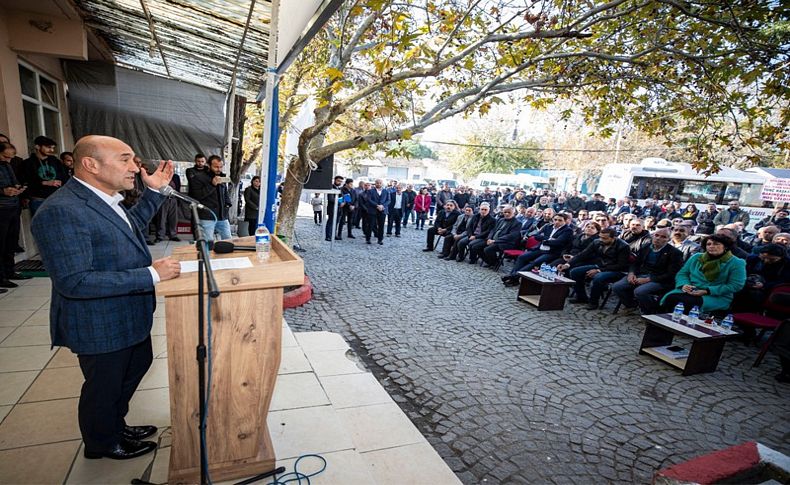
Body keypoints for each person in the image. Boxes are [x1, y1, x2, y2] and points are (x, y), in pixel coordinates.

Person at [31, 135, 181, 460]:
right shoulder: (60, 211)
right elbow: (75, 281)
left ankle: (115, 424)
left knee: (134, 368)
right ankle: (101, 443)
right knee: (104, 387)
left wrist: (153, 191)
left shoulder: (102, 199)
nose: (135, 167)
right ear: (91, 164)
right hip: (100, 321)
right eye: (125, 159)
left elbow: (129, 229)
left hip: (127, 314)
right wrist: (152, 274)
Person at [661, 234, 747, 314]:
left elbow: (735, 285)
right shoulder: (696, 257)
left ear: (726, 247)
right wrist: (684, 284)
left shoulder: (736, 262)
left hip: (715, 296)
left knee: (686, 303)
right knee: (670, 298)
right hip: (690, 289)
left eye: (716, 244)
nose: (711, 246)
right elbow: (682, 274)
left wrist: (707, 291)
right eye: (708, 244)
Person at [611, 228, 684, 314]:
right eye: (656, 235)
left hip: (659, 279)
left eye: (663, 237)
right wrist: (631, 273)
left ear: (668, 239)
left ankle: (650, 312)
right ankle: (631, 305)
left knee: (640, 291)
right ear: (652, 235)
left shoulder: (674, 253)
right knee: (617, 287)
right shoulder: (646, 246)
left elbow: (671, 274)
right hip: (641, 274)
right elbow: (635, 263)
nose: (658, 238)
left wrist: (649, 279)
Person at [558, 228, 630, 310]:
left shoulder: (623, 246)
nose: (601, 240)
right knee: (575, 272)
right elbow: (583, 254)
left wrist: (599, 270)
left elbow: (621, 265)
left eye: (605, 238)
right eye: (600, 237)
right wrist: (567, 264)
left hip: (617, 270)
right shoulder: (597, 242)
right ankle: (581, 297)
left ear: (613, 238)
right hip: (601, 266)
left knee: (598, 277)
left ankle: (593, 302)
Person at [502, 213, 573, 286]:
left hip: (552, 252)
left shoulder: (567, 230)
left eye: (560, 220)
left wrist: (545, 240)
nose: (557, 222)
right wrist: (548, 239)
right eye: (555, 220)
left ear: (565, 221)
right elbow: (536, 236)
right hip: (539, 248)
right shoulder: (548, 226)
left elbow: (558, 242)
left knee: (535, 262)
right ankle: (514, 277)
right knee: (522, 257)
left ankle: (513, 276)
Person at [0, 142, 29, 291]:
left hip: (12, 207)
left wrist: (17, 187)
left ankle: (9, 272)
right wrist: (3, 191)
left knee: (10, 242)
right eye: (5, 156)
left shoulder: (7, 165)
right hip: (1, 209)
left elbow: (14, 181)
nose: (8, 160)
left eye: (10, 157)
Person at [20, 135, 68, 216]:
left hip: (57, 198)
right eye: (49, 147)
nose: (52, 150)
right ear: (37, 146)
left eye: (53, 148)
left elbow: (64, 177)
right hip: (38, 200)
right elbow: (24, 182)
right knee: (41, 225)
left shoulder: (55, 161)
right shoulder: (27, 163)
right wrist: (44, 183)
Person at [733, 243, 790, 313]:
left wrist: (764, 285)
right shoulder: (752, 259)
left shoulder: (786, 265)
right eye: (763, 258)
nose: (766, 261)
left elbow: (784, 281)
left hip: (768, 289)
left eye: (771, 259)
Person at [191, 155, 232, 241]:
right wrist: (212, 185)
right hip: (207, 216)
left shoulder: (221, 176)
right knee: (208, 241)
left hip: (222, 216)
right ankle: (208, 254)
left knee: (228, 239)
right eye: (216, 167)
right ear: (209, 165)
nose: (219, 169)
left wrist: (228, 204)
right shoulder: (199, 178)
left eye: (221, 167)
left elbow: (225, 192)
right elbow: (197, 196)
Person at [363, 179, 390, 245]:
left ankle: (380, 239)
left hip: (382, 210)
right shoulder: (370, 191)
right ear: (375, 184)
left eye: (380, 183)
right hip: (373, 210)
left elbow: (388, 200)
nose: (378, 184)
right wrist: (377, 205)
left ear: (382, 183)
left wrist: (382, 206)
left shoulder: (386, 191)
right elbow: (369, 200)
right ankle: (368, 239)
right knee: (370, 225)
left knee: (381, 226)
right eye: (377, 183)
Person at [325, 175, 344, 241]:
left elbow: (342, 197)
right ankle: (328, 236)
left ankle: (333, 234)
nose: (339, 182)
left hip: (339, 208)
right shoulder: (331, 187)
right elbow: (331, 199)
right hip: (332, 208)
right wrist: (340, 202)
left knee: (336, 222)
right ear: (335, 180)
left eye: (341, 181)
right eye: (338, 181)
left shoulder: (340, 188)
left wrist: (343, 202)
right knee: (330, 222)